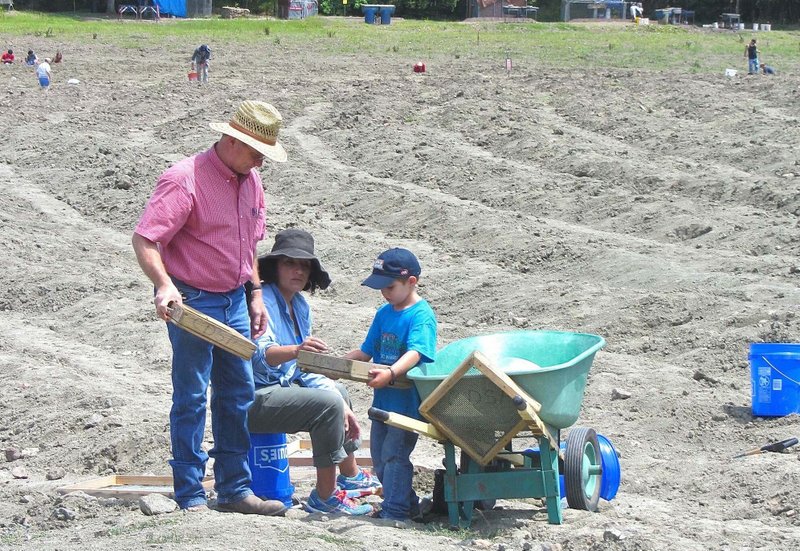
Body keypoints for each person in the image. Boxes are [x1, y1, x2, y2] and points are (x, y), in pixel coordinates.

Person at [132, 100, 289, 516]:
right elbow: (146, 239)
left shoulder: (251, 180)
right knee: (192, 396)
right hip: (193, 301)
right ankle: (190, 493)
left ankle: (235, 489)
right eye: (258, 152)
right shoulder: (184, 180)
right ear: (234, 140)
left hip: (235, 298)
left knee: (238, 392)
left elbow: (249, 245)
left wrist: (256, 293)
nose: (261, 161)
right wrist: (164, 285)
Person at [247, 228, 381, 516]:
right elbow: (261, 358)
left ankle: (350, 476)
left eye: (304, 266)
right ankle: (324, 496)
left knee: (338, 393)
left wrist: (336, 395)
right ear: (275, 267)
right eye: (290, 263)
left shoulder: (300, 305)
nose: (298, 271)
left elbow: (305, 369)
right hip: (254, 396)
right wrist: (297, 350)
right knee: (329, 404)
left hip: (281, 389)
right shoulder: (262, 302)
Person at [345, 248, 437, 521]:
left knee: (395, 455)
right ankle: (408, 504)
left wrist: (391, 373)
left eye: (389, 286)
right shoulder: (384, 314)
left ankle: (396, 511)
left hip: (406, 403)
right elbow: (366, 351)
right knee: (380, 457)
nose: (384, 293)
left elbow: (416, 352)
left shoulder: (421, 315)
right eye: (381, 287)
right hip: (383, 402)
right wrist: (337, 365)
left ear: (412, 282)